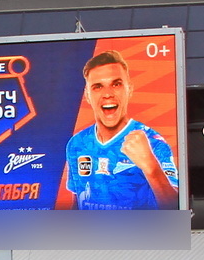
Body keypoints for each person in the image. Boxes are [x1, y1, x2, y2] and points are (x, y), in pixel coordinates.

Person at [55, 49, 180, 211]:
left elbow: (176, 208)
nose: (107, 94)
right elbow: (77, 200)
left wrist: (151, 167)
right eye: (98, 87)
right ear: (87, 95)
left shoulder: (153, 143)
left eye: (116, 84)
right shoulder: (77, 143)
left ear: (129, 89)